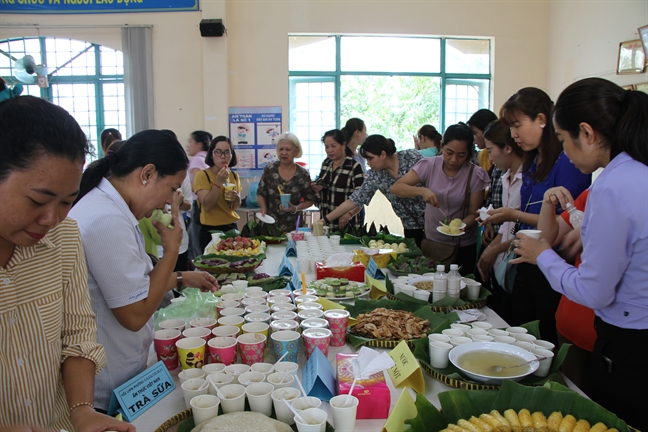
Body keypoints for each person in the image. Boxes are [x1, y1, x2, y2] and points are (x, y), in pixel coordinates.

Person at [510, 78, 647, 430]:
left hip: (630, 343)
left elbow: (593, 291)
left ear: (585, 132)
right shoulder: (636, 173)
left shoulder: (613, 186)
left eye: (562, 139)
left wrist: (543, 255)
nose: (564, 150)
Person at [0, 96, 133, 432]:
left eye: (66, 203)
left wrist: (82, 410)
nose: (50, 219)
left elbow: (77, 333)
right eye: (38, 201)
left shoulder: (64, 236)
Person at [70, 130, 219, 412]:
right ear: (147, 174)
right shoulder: (107, 219)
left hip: (120, 372)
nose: (169, 201)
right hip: (106, 381)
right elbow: (135, 314)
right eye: (172, 188)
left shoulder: (112, 209)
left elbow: (130, 286)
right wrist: (171, 252)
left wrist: (180, 277)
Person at [487, 87, 591, 345]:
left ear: (542, 119)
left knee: (541, 336)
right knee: (520, 330)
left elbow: (565, 220)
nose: (513, 135)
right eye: (510, 128)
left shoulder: (568, 162)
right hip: (529, 256)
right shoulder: (533, 160)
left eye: (517, 125)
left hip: (552, 262)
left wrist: (515, 214)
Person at [391, 123, 490, 274]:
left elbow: (474, 213)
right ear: (442, 146)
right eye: (449, 152)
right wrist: (422, 191)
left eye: (461, 155)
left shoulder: (475, 174)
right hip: (433, 244)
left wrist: (458, 227)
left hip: (462, 247)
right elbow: (396, 187)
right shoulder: (429, 165)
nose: (454, 159)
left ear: (469, 153)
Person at [317, 135, 427, 246]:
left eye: (371, 158)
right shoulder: (375, 175)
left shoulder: (411, 157)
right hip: (411, 225)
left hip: (435, 219)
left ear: (383, 154)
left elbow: (434, 175)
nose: (369, 163)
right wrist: (324, 220)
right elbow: (354, 200)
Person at [537, 187, 595, 395]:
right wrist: (547, 203)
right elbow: (545, 239)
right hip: (571, 318)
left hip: (610, 332)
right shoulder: (591, 194)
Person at [476, 119, 525, 322]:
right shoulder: (506, 177)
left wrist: (494, 249)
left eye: (490, 149)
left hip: (517, 262)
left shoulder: (528, 180)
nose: (488, 156)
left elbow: (520, 227)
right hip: (502, 262)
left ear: (507, 148)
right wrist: (491, 250)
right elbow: (507, 224)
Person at [257, 132, 317, 233]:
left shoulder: (302, 173)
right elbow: (261, 193)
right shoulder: (270, 169)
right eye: (281, 149)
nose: (284, 153)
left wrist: (296, 208)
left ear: (296, 151)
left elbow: (310, 200)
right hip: (270, 224)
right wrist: (263, 207)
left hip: (294, 226)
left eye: (288, 149)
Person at [193, 136, 242, 252]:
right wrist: (218, 182)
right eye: (218, 152)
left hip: (231, 228)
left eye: (227, 152)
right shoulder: (202, 176)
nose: (223, 156)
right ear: (211, 155)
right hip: (211, 231)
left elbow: (234, 207)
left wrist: (236, 198)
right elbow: (207, 206)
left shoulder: (234, 176)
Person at [311, 129, 365, 231]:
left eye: (333, 146)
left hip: (346, 225)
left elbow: (361, 198)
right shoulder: (326, 164)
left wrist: (350, 213)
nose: (329, 150)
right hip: (326, 224)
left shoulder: (354, 166)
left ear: (343, 145)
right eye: (326, 147)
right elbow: (324, 189)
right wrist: (316, 188)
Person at [186, 130, 212, 267]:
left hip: (198, 205)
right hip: (208, 206)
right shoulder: (208, 160)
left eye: (190, 141)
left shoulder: (196, 160)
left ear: (199, 144)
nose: (187, 145)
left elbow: (197, 184)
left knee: (196, 243)